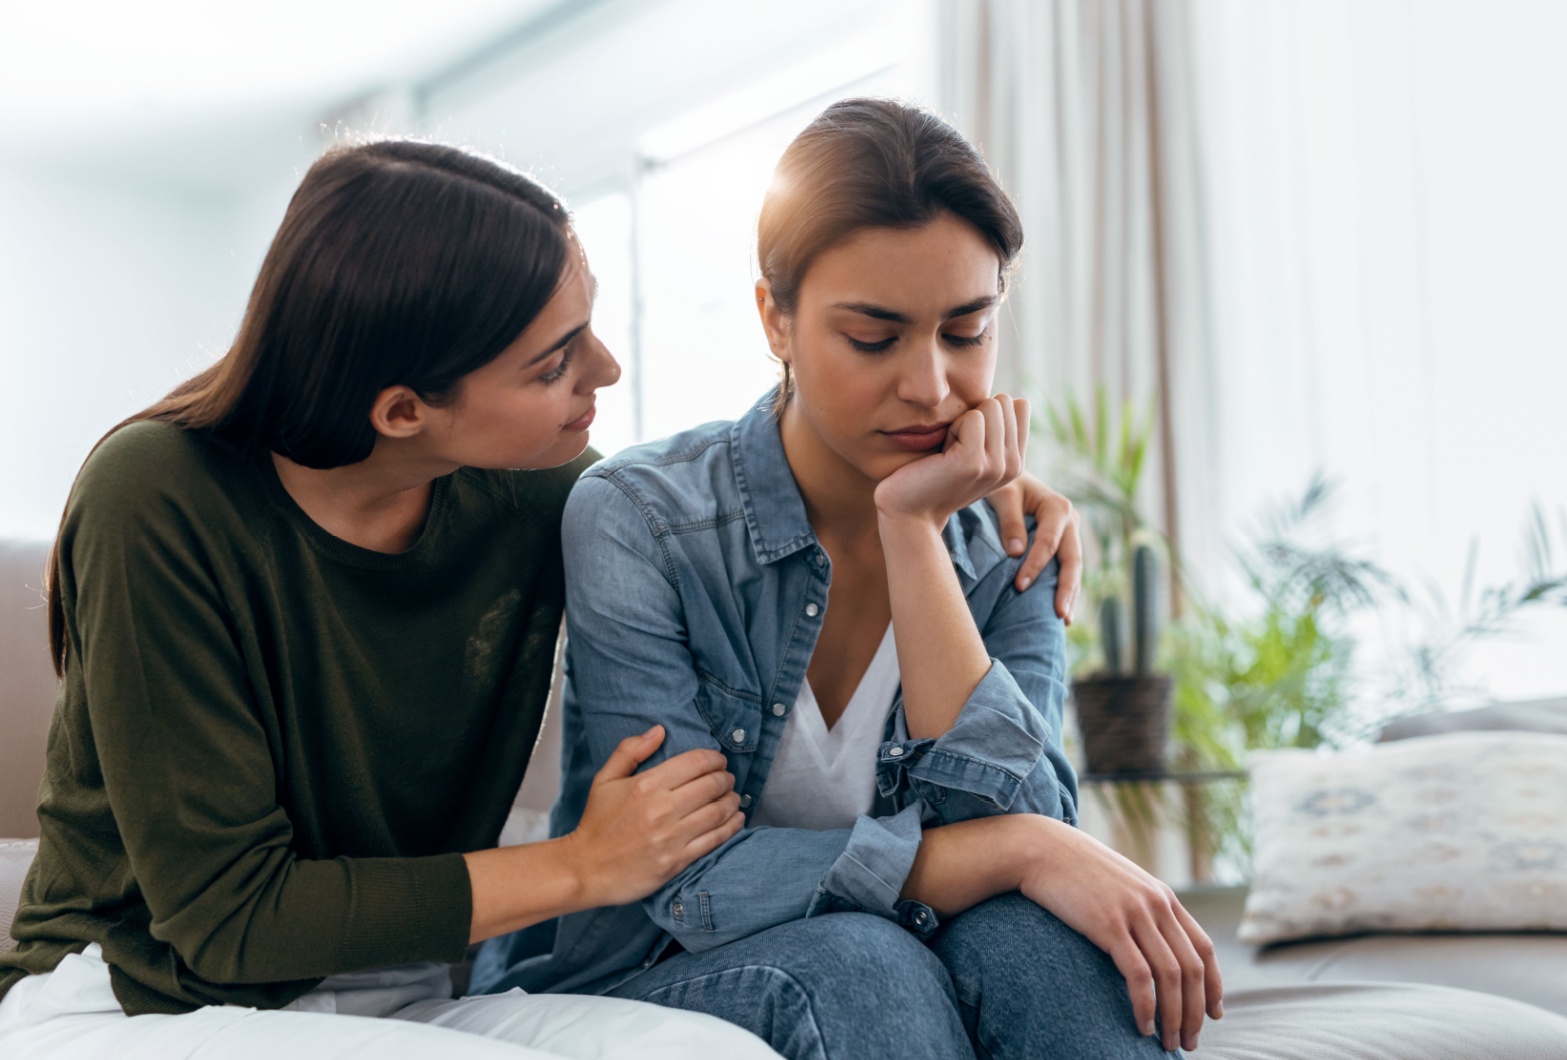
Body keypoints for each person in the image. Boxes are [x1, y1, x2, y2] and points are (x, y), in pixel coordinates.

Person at [0, 139, 1085, 1058]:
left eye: (591, 329)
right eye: (555, 361)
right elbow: (229, 917)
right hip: (143, 993)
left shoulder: (538, 493)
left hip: (412, 990)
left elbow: (731, 496)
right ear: (402, 410)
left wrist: (960, 481)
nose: (605, 371)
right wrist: (578, 865)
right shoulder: (157, 494)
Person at [473, 99, 1224, 1060]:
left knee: (1052, 951)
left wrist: (912, 530)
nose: (932, 386)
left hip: (899, 941)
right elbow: (687, 884)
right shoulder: (643, 519)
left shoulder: (1011, 538)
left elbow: (1020, 819)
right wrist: (1014, 851)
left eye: (968, 331)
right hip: (652, 961)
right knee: (864, 963)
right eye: (874, 338)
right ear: (774, 320)